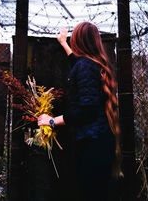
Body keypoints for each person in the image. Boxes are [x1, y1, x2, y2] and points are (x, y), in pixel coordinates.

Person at [37, 21, 122, 201]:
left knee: (91, 194)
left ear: (79, 40)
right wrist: (63, 43)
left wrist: (52, 121)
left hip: (93, 146)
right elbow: (77, 64)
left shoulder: (86, 66)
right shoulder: (92, 63)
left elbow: (87, 111)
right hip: (99, 142)